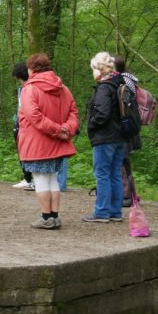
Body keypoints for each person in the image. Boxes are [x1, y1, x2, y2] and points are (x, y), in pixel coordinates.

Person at [17, 54, 79, 230]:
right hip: (58, 143)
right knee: (52, 178)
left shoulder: (29, 89)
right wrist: (65, 129)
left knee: (41, 179)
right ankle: (54, 216)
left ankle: (46, 217)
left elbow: (34, 116)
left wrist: (58, 130)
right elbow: (73, 112)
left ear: (31, 70)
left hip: (37, 143)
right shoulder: (63, 88)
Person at [83, 51, 125, 223]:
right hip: (120, 137)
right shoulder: (119, 83)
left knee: (102, 174)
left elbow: (102, 113)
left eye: (93, 69)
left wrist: (91, 125)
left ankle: (101, 212)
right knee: (115, 174)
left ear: (99, 70)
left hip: (105, 137)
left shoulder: (104, 87)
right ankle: (115, 212)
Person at [113, 56, 139, 207]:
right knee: (125, 162)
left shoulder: (121, 82)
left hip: (123, 127)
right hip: (130, 127)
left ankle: (126, 196)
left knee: (121, 161)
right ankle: (130, 193)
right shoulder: (130, 79)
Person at [11, 62, 35, 191]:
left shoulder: (29, 88)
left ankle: (30, 179)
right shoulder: (23, 88)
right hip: (20, 123)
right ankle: (27, 178)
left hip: (25, 125)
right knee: (22, 152)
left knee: (28, 152)